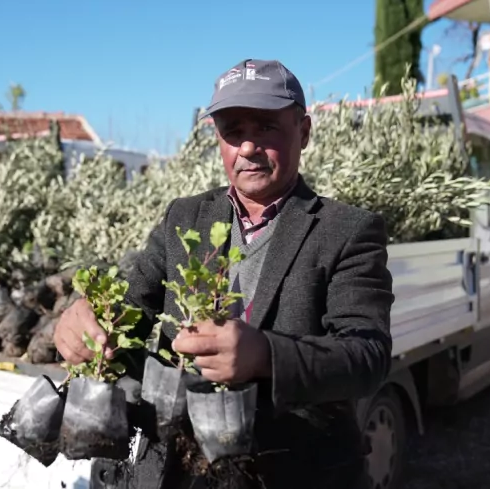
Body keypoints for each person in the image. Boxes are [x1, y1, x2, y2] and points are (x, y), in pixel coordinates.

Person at [54, 59, 395, 489]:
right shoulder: (185, 216)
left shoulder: (347, 230)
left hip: (295, 471)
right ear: (218, 139)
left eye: (267, 127)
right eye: (233, 130)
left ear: (303, 132)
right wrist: (84, 319)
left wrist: (266, 355)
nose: (248, 147)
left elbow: (367, 356)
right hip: (177, 470)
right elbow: (132, 305)